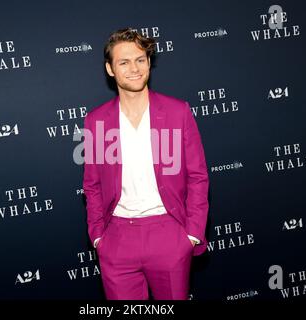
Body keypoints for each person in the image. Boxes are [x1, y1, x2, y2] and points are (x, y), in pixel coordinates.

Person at [83, 28, 209, 300]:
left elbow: (198, 176)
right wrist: (98, 237)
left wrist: (191, 235)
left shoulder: (178, 112)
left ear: (149, 62)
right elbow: (92, 185)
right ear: (110, 69)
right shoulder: (96, 121)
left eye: (141, 59)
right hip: (116, 239)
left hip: (169, 234)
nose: (134, 68)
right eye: (124, 62)